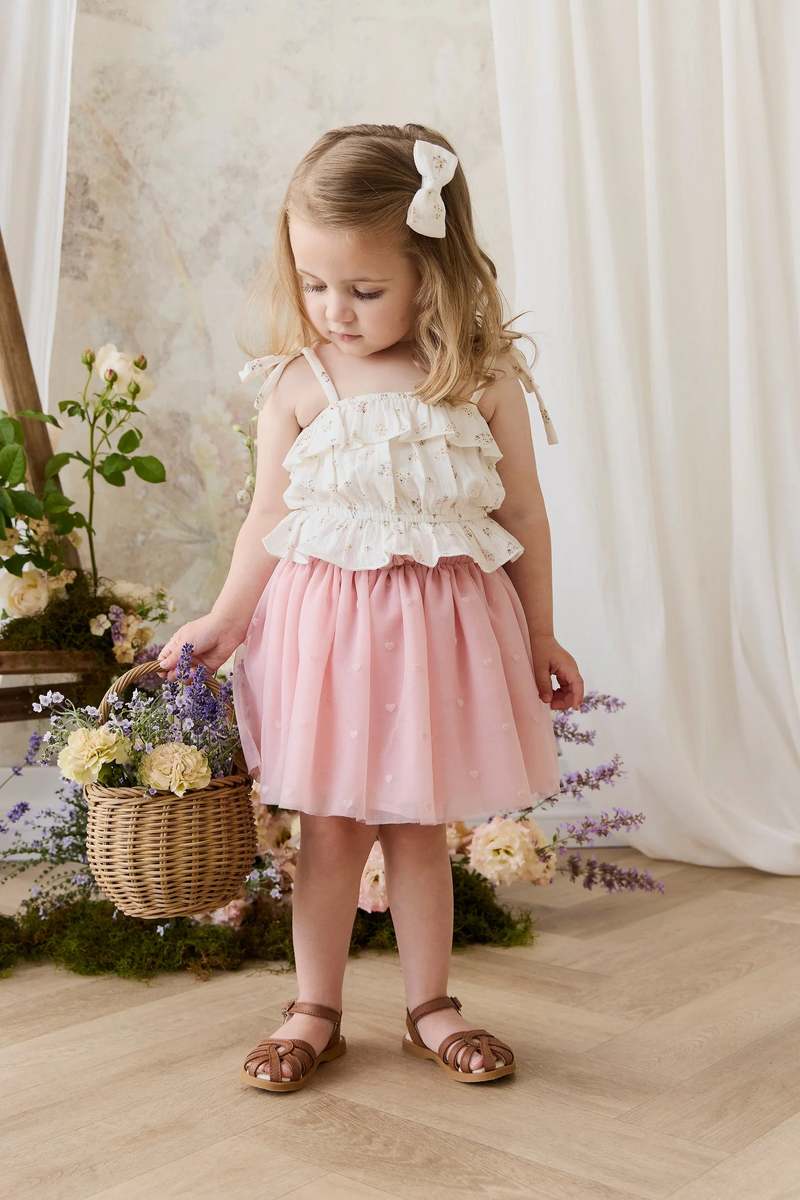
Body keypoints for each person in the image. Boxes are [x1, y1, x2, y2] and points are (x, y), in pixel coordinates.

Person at [155, 123, 584, 1091]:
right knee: (331, 832)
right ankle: (314, 1008)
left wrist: (541, 632)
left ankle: (430, 1006)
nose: (333, 312)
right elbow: (268, 516)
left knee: (417, 829)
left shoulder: (478, 378)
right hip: (327, 644)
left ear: (430, 274)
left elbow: (522, 514)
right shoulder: (299, 384)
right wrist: (225, 620)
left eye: (363, 289)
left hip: (437, 644)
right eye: (314, 285)